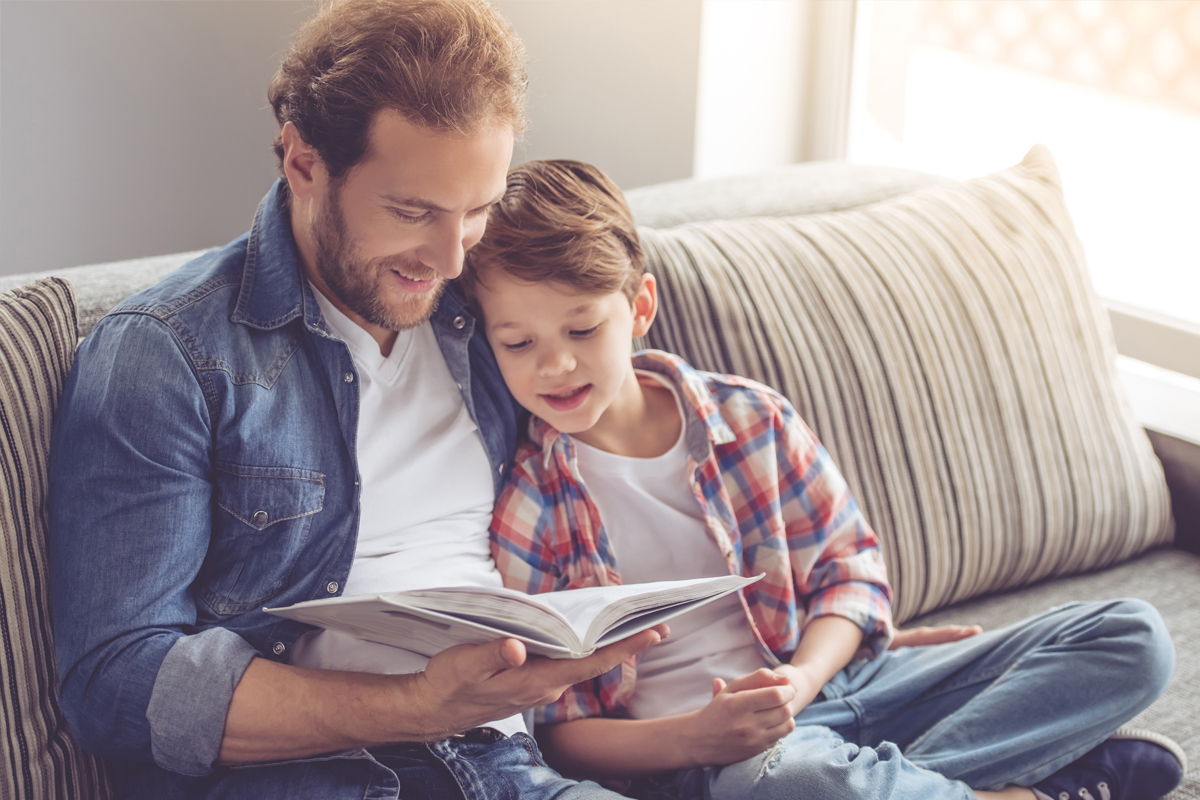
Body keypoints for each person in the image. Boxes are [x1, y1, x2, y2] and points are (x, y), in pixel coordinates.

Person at [47, 3, 669, 798]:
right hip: (314, 778)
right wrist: (414, 706)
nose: (449, 258)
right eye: (411, 212)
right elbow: (116, 681)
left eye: (473, 213)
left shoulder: (489, 316)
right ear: (303, 163)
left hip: (507, 765)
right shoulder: (167, 354)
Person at [462, 159, 1188, 800]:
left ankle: (893, 783)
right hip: (720, 759)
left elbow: (852, 576)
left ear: (639, 308)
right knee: (790, 780)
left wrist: (807, 677)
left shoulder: (751, 419)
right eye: (519, 343)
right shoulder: (531, 509)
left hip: (841, 683)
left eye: (582, 330)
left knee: (1132, 636)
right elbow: (556, 729)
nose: (554, 365)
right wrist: (697, 739)